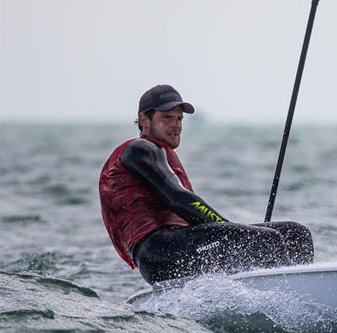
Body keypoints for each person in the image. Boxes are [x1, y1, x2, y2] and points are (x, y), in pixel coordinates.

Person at [99, 84, 313, 284]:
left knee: (295, 234)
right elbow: (178, 198)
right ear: (144, 120)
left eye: (179, 118)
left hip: (180, 244)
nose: (176, 125)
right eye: (166, 118)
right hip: (159, 252)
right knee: (268, 240)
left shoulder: (159, 152)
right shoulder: (140, 149)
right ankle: (287, 298)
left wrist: (230, 231)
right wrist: (228, 229)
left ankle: (302, 291)